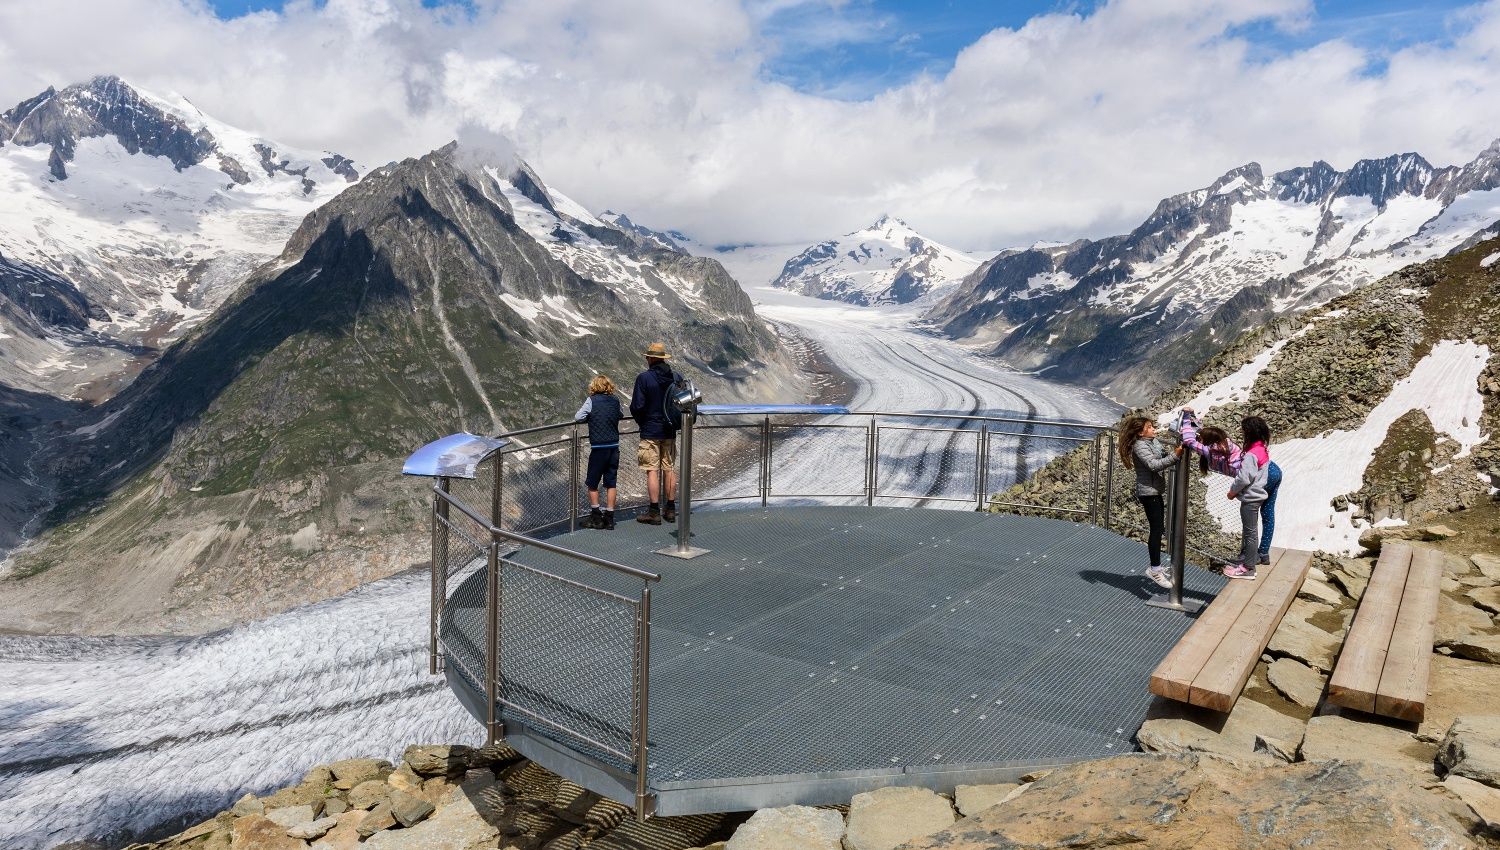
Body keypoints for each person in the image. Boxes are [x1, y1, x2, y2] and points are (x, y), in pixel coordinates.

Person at [1181, 407, 1283, 566]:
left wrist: (1186, 417)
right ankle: (1262, 553)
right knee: (1267, 513)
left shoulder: (1211, 451)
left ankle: (1248, 557)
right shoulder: (1225, 444)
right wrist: (1191, 416)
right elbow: (1201, 432)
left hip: (1261, 474)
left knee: (1251, 516)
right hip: (1273, 469)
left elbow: (1188, 439)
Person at [1119, 414, 1177, 589]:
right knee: (1156, 529)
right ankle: (1154, 569)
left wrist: (1174, 452)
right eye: (1150, 427)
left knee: (1159, 528)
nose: (1154, 429)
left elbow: (1162, 455)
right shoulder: (1139, 446)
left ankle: (1156, 567)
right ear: (1140, 432)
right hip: (1148, 493)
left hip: (1154, 490)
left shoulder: (1152, 442)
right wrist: (1176, 456)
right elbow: (1154, 465)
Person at [630, 342, 679, 525]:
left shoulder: (644, 378)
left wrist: (643, 422)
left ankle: (653, 511)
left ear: (650, 358)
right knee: (669, 468)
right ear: (664, 359)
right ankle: (671, 509)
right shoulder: (675, 377)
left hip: (651, 430)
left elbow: (637, 406)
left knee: (652, 470)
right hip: (670, 429)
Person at [1225, 416, 1273, 580]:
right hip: (1258, 494)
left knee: (1250, 533)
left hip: (1251, 498)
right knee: (1251, 531)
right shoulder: (1262, 448)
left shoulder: (1252, 453)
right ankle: (1247, 564)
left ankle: (1248, 568)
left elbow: (1244, 478)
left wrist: (1232, 492)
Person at [575, 374, 625, 530]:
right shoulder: (616, 400)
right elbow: (621, 414)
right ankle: (609, 518)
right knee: (611, 482)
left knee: (592, 482)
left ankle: (596, 517)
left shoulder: (592, 400)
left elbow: (578, 417)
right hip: (613, 446)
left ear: (594, 387)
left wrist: (591, 418)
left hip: (598, 448)